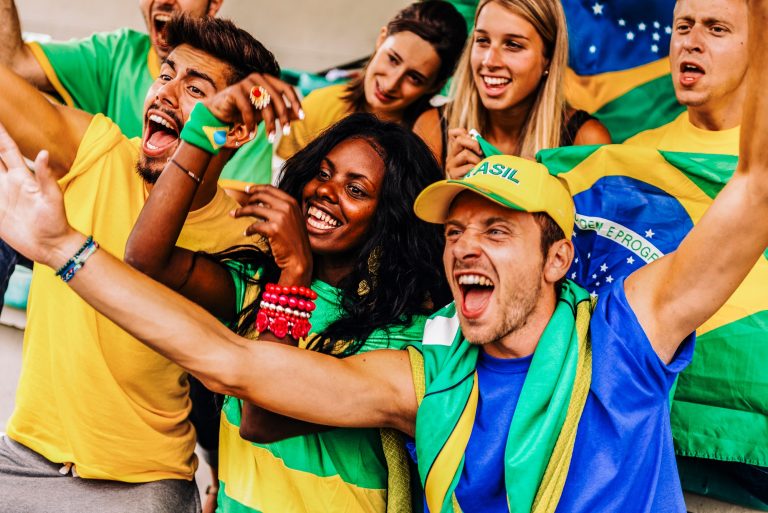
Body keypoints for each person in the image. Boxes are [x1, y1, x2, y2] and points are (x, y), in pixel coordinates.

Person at [1, 0, 767, 510]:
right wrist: (64, 248)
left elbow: (754, 190)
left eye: (497, 230)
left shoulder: (627, 337)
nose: (467, 244)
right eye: (458, 230)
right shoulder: (427, 374)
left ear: (559, 257)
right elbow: (234, 367)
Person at [0, 14, 298, 513]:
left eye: (195, 88)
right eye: (165, 75)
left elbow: (260, 386)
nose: (165, 92)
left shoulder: (244, 233)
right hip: (22, 458)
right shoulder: (96, 151)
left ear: (237, 128)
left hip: (142, 485)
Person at [125, 105, 450, 512]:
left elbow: (261, 421)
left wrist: (294, 273)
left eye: (356, 190)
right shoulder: (257, 284)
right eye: (324, 173)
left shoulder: (401, 335)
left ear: (389, 219)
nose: (326, 191)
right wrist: (200, 131)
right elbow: (145, 258)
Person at [625, 0, 767, 504]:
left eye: (717, 28)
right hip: (654, 447)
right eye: (682, 26)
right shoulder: (622, 157)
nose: (691, 40)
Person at [276, 0, 467, 166]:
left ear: (435, 85)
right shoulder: (318, 106)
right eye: (393, 59)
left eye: (414, 78)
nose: (392, 83)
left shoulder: (436, 138)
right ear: (381, 38)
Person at [444, 0, 611, 179]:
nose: (489, 61)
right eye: (483, 40)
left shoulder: (586, 141)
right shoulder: (434, 126)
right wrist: (450, 192)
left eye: (513, 45)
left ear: (548, 58)